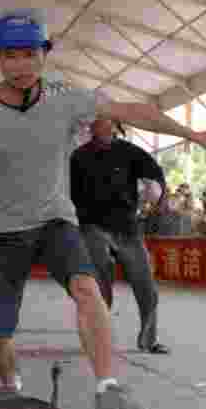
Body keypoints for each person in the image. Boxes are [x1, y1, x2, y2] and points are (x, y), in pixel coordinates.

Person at [0, 8, 206, 409]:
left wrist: (192, 133)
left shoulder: (66, 98)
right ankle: (10, 385)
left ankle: (108, 387)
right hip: (1, 234)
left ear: (45, 53)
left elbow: (135, 112)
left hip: (57, 222)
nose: (20, 65)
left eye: (29, 54)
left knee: (88, 287)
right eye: (10, 56)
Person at [71, 117, 169, 354]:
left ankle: (149, 340)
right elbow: (67, 191)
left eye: (104, 122)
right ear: (90, 128)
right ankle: (98, 337)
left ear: (114, 126)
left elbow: (154, 173)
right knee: (100, 277)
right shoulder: (78, 156)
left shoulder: (130, 152)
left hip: (126, 227)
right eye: (94, 123)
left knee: (145, 283)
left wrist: (159, 192)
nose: (99, 126)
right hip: (91, 225)